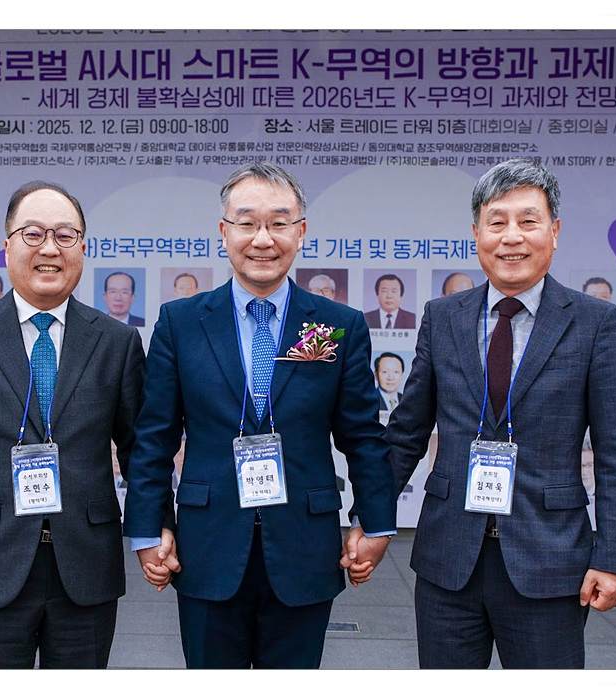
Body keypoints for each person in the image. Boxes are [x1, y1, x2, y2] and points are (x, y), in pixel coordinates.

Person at [124, 161, 395, 669]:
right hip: (207, 545)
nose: (263, 239)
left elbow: (362, 434)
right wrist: (148, 526)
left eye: (278, 223)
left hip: (304, 545)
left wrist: (375, 523)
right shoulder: (181, 323)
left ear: (301, 232)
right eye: (247, 223)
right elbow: (155, 436)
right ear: (224, 231)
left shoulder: (337, 324)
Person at [387, 157, 616, 669]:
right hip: (448, 558)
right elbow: (406, 432)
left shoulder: (593, 322)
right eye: (497, 221)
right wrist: (368, 518)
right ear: (476, 232)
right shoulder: (443, 317)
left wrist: (614, 558)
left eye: (528, 220)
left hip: (550, 560)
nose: (511, 237)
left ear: (554, 231)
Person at [0, 181, 145, 669]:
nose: (49, 248)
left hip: (86, 566)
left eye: (65, 235)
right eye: (33, 233)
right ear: (7, 246)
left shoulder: (117, 342)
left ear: (83, 247)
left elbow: (138, 452)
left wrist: (151, 534)